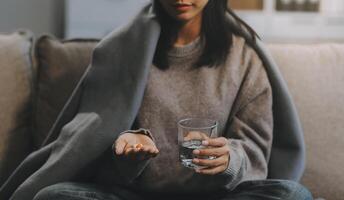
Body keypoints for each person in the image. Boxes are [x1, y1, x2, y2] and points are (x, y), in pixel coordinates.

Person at [33, 0, 313, 199]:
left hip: (218, 196)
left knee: (293, 194)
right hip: (134, 193)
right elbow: (91, 148)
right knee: (53, 196)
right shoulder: (120, 51)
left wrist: (230, 159)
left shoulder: (244, 59)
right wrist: (126, 152)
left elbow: (256, 152)